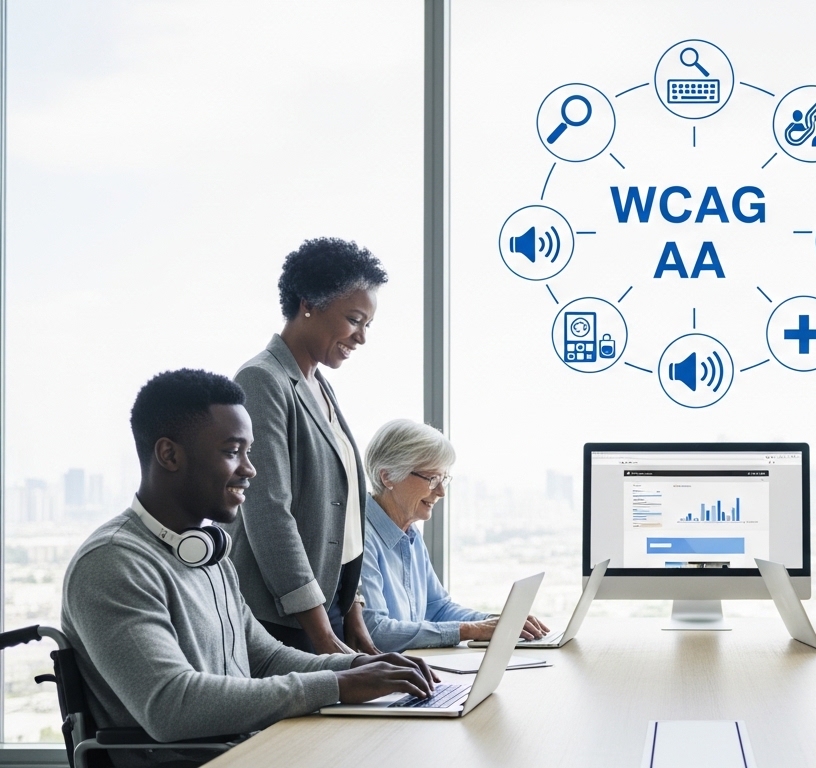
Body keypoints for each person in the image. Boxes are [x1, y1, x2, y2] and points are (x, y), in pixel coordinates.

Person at [61, 370, 437, 766]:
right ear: (169, 455)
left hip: (247, 752)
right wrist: (339, 683)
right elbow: (172, 706)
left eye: (248, 451)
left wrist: (362, 665)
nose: (250, 469)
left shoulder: (208, 553)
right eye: (231, 451)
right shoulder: (113, 563)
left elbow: (267, 659)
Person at [225, 237, 388, 654]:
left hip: (329, 607)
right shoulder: (263, 380)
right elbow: (269, 514)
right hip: (285, 618)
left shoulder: (320, 385)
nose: (362, 337)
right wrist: (322, 637)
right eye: (354, 320)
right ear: (308, 304)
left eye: (368, 325)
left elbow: (342, 514)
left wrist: (352, 614)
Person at [360, 419, 549, 652]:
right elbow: (376, 632)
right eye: (432, 479)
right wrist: (472, 630)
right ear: (387, 477)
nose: (441, 492)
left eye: (443, 479)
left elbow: (438, 608)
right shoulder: (360, 538)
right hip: (383, 682)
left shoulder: (409, 533)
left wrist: (495, 621)